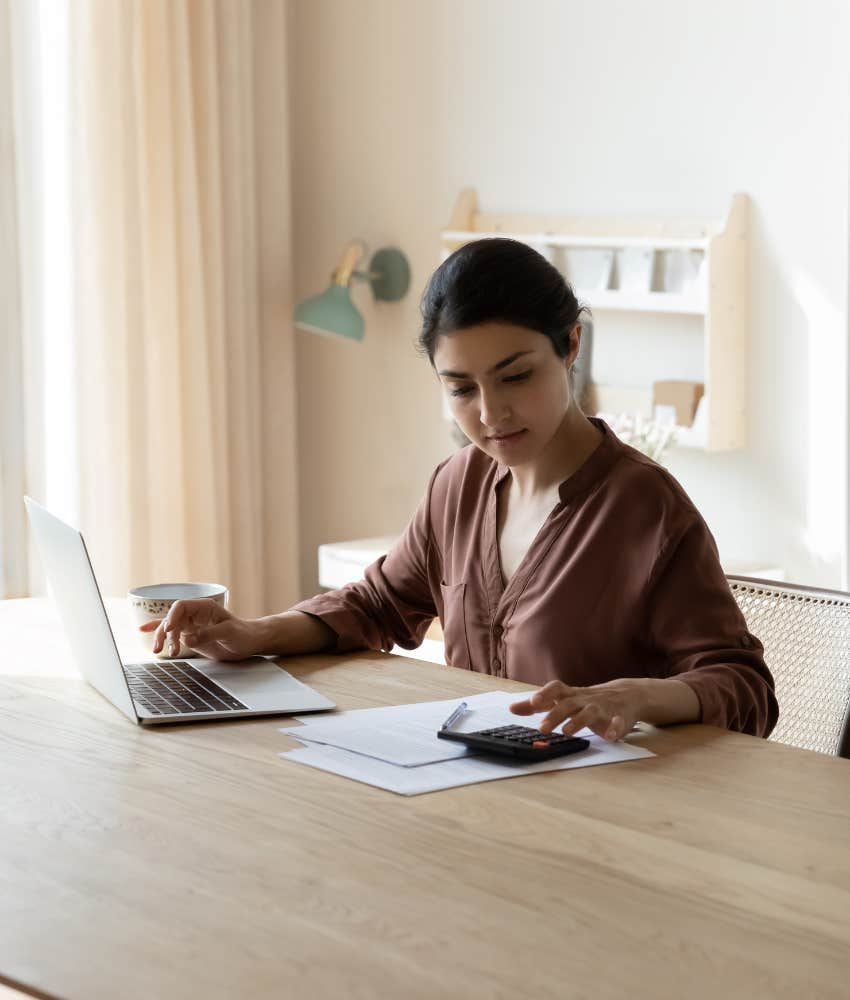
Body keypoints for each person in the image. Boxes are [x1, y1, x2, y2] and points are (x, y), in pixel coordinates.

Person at [141, 238, 778, 741]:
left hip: (611, 823)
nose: (491, 414)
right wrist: (256, 633)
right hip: (472, 796)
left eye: (516, 376)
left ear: (571, 346)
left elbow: (746, 687)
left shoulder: (646, 508)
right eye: (461, 389)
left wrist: (635, 695)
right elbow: (376, 604)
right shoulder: (459, 485)